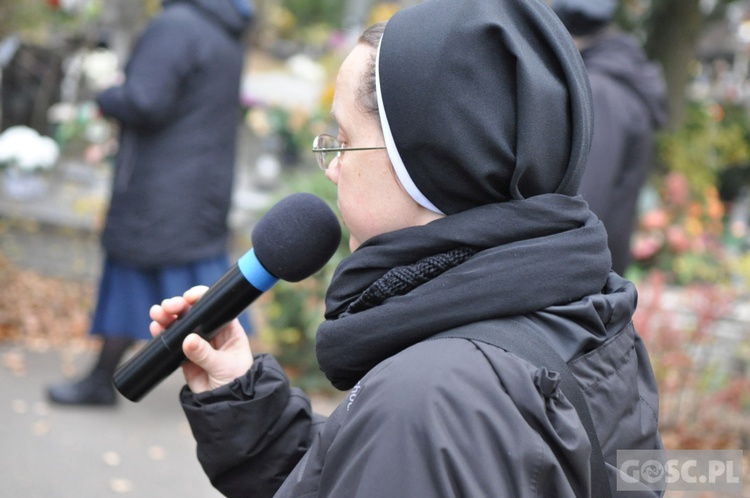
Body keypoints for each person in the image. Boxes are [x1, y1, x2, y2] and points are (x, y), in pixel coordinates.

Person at [150, 0, 663, 496]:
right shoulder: (583, 309)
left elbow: (422, 449)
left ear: (428, 161)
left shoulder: (428, 401)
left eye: (345, 139)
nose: (332, 166)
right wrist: (247, 410)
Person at [47, 0, 254, 406]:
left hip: (161, 186)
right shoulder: (227, 29)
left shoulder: (176, 25)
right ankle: (242, 385)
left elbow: (145, 99)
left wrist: (107, 94)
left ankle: (104, 381)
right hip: (201, 185)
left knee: (135, 275)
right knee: (209, 289)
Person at [552, 0, 669, 275]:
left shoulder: (600, 90)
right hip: (600, 269)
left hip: (582, 275)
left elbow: (585, 198)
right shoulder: (618, 79)